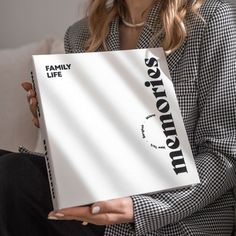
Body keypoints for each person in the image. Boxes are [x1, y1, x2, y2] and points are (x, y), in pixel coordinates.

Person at [0, 0, 235, 235]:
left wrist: (139, 208)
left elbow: (225, 154)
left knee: (15, 173)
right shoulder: (81, 34)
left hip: (176, 219)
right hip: (99, 199)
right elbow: (92, 150)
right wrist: (58, 123)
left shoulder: (211, 18)